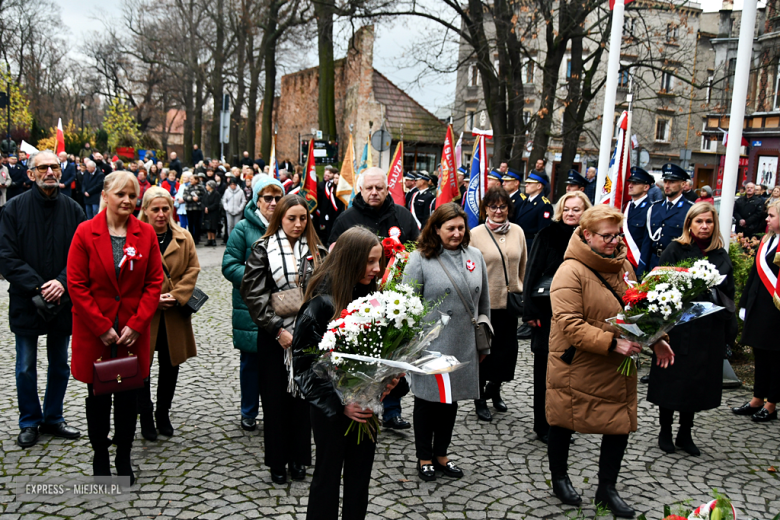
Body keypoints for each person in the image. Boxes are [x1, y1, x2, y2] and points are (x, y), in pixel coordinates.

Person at [546, 205, 674, 517]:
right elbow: (570, 324)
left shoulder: (625, 268)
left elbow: (638, 313)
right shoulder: (570, 271)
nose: (614, 242)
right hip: (578, 363)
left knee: (618, 425)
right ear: (586, 235)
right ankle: (560, 478)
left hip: (617, 365)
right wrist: (614, 342)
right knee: (565, 421)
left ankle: (607, 488)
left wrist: (657, 340)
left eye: (617, 235)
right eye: (606, 236)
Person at [292, 227, 401, 520]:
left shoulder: (375, 298)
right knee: (327, 477)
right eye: (370, 262)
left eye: (379, 261)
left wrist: (390, 380)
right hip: (331, 409)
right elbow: (303, 366)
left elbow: (386, 353)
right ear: (350, 260)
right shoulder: (321, 303)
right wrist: (341, 403)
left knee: (359, 478)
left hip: (367, 406)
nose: (377, 269)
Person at [67, 171, 164, 484]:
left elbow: (153, 282)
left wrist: (137, 324)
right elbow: (77, 284)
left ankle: (124, 456)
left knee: (128, 398)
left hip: (130, 335)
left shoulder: (145, 233)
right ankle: (100, 456)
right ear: (106, 195)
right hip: (96, 333)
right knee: (97, 398)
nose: (127, 201)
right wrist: (100, 325)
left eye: (132, 196)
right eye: (121, 194)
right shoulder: (85, 232)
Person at [0, 150, 86, 448]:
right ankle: (28, 421)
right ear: (31, 173)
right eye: (43, 167)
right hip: (26, 300)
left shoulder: (74, 210)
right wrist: (39, 287)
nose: (50, 171)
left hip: (63, 300)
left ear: (61, 172)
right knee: (25, 366)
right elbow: (6, 257)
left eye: (54, 166)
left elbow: (82, 255)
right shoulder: (13, 209)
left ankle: (53, 417)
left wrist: (61, 283)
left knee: (60, 363)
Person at [241, 194, 326, 484]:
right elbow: (254, 295)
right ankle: (277, 461)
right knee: (275, 403)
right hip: (274, 337)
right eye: (292, 218)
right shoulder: (262, 249)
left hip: (307, 337)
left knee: (303, 401)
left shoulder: (318, 249)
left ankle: (300, 458)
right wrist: (277, 329)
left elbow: (324, 291)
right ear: (280, 218)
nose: (298, 224)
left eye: (303, 218)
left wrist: (312, 327)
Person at [403, 203, 490, 481]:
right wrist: (410, 345)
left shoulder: (475, 255)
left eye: (460, 228)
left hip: (463, 342)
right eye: (450, 228)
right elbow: (406, 304)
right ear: (436, 229)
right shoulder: (420, 258)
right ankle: (424, 457)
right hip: (431, 343)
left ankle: (442, 454)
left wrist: (483, 341)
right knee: (428, 401)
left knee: (450, 402)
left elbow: (484, 303)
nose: (456, 233)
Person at [328, 167, 419, 430]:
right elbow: (333, 258)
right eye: (369, 188)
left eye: (379, 187)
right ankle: (358, 401)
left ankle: (391, 410)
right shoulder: (346, 220)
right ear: (360, 189)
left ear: (387, 189)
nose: (374, 192)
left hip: (395, 299)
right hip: (355, 299)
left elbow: (417, 251)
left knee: (391, 351)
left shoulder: (402, 216)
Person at [649, 202, 736, 456]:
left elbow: (728, 292)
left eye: (709, 222)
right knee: (671, 380)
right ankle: (665, 430)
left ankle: (685, 433)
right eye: (699, 222)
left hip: (707, 331)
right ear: (689, 223)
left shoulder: (720, 254)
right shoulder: (676, 249)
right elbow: (658, 284)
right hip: (677, 327)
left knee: (696, 382)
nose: (704, 226)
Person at [522, 191, 591, 444]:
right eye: (568, 209)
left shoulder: (590, 238)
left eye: (577, 209)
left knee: (572, 373)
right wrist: (529, 311)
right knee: (545, 374)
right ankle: (543, 425)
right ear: (561, 210)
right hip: (547, 314)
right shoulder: (547, 234)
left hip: (580, 315)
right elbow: (532, 272)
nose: (572, 213)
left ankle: (565, 423)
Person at [136, 187, 200, 441]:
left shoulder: (183, 237)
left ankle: (163, 413)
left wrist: (175, 296)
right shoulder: (135, 237)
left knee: (170, 365)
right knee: (141, 367)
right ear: (146, 211)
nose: (161, 214)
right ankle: (145, 416)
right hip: (145, 316)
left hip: (174, 313)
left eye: (165, 209)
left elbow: (192, 270)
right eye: (155, 209)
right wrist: (151, 300)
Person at [223, 177, 285, 431]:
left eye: (277, 198)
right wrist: (256, 280)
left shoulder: (290, 223)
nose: (272, 203)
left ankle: (277, 409)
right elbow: (229, 265)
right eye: (267, 198)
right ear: (257, 200)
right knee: (251, 363)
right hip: (250, 306)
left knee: (280, 361)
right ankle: (248, 410)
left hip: (283, 304)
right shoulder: (243, 229)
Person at [469, 187, 527, 421]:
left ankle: (495, 389)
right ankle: (479, 398)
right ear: (485, 209)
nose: (498, 211)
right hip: (485, 305)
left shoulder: (518, 232)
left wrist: (520, 287)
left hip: (510, 304)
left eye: (502, 206)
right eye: (493, 206)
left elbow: (523, 263)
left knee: (507, 353)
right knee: (485, 353)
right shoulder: (475, 234)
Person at [733, 199, 780, 423]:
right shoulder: (767, 239)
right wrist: (744, 303)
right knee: (759, 353)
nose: (767, 219)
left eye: (771, 215)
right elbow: (754, 274)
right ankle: (757, 398)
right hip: (759, 305)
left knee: (776, 357)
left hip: (776, 309)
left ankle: (771, 404)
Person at [641, 163, 694, 272]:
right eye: (665, 181)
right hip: (654, 263)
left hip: (677, 265)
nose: (667, 185)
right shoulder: (654, 208)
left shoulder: (690, 209)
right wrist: (641, 271)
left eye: (672, 182)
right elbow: (647, 243)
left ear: (683, 184)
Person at [624, 167, 654, 278]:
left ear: (646, 187)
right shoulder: (626, 207)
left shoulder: (651, 209)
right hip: (623, 262)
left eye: (635, 183)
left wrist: (641, 270)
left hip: (638, 263)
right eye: (630, 182)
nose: (630, 185)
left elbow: (648, 243)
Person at [513, 170, 553, 249]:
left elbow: (543, 232)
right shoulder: (526, 201)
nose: (526, 185)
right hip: (520, 242)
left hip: (531, 246)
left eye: (530, 183)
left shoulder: (544, 205)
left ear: (539, 186)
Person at [315, 170, 345, 245]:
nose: (335, 180)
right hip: (331, 214)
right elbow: (327, 202)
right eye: (334, 178)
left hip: (339, 212)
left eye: (337, 178)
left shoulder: (342, 190)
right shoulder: (331, 188)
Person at [184, 173, 207, 245]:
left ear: (196, 180)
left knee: (197, 223)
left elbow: (205, 197)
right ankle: (191, 238)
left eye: (192, 179)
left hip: (198, 208)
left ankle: (197, 238)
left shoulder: (201, 188)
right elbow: (184, 197)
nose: (190, 180)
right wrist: (192, 199)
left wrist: (198, 199)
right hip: (189, 208)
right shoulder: (187, 187)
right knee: (190, 224)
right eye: (190, 179)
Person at [202, 180, 221, 247]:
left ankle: (213, 239)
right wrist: (204, 208)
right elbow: (203, 202)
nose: (206, 187)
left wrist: (209, 208)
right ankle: (209, 239)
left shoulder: (216, 194)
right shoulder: (206, 194)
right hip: (207, 213)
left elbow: (216, 204)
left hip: (213, 213)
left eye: (207, 185)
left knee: (213, 227)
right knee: (208, 226)